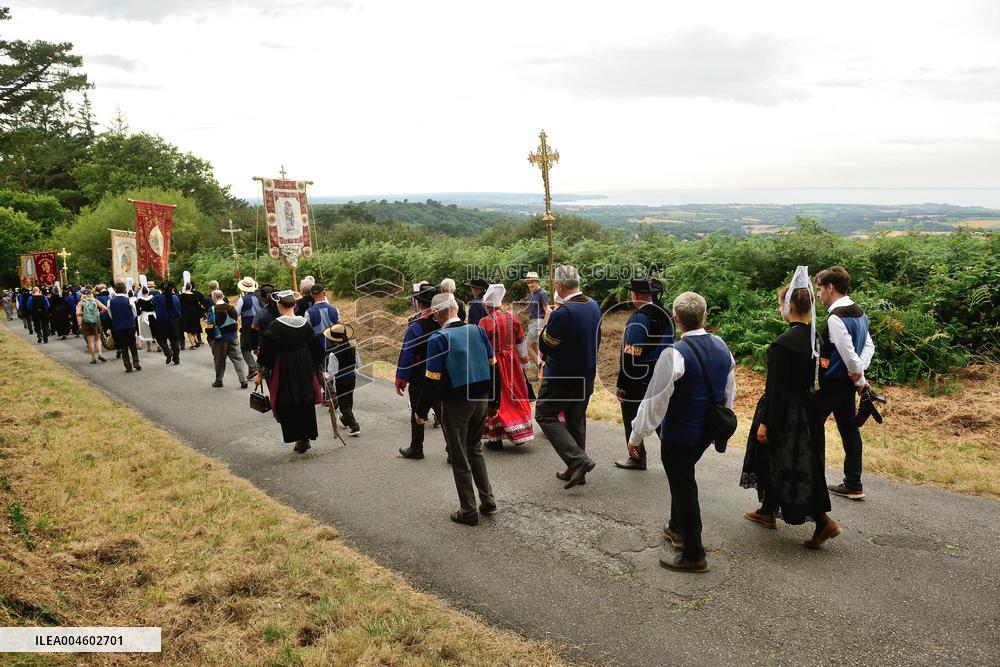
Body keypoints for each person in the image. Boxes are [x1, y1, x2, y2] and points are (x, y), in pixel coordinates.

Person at [629, 292, 736, 573]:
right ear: (705, 316)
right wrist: (720, 423)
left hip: (679, 435)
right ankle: (676, 528)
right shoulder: (722, 346)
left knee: (684, 487)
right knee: (684, 477)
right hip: (705, 432)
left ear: (676, 320)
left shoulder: (674, 354)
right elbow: (728, 390)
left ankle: (693, 553)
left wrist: (636, 436)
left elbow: (655, 401)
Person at [741, 270, 842, 548]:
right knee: (788, 462)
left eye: (780, 304)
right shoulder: (815, 338)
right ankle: (766, 511)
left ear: (791, 307)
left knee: (789, 466)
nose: (780, 309)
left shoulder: (782, 344)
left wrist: (766, 423)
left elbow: (776, 389)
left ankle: (823, 522)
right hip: (808, 412)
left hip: (785, 414)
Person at [415, 293, 500, 525]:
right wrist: (495, 401)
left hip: (456, 404)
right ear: (456, 308)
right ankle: (488, 500)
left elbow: (432, 380)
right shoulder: (478, 330)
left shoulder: (438, 338)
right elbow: (494, 367)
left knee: (460, 455)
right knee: (476, 449)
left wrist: (421, 411)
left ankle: (469, 510)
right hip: (481, 399)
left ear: (436, 314)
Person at [536, 265, 603, 489]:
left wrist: (545, 326)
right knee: (575, 419)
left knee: (545, 415)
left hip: (562, 376)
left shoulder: (563, 312)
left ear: (560, 285)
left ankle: (579, 461)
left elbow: (547, 345)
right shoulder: (594, 305)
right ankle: (576, 470)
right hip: (586, 373)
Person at [815, 266, 875, 501]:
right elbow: (869, 346)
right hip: (848, 384)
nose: (818, 294)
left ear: (830, 288)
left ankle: (813, 482)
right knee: (849, 431)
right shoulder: (859, 312)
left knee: (811, 426)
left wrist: (858, 376)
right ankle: (853, 482)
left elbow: (848, 353)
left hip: (832, 384)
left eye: (820, 289)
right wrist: (860, 374)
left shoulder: (835, 318)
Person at [615, 277, 674, 471]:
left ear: (636, 295)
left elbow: (630, 355)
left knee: (632, 417)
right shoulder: (666, 314)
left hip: (638, 379)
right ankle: (674, 458)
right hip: (663, 374)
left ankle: (637, 457)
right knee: (660, 417)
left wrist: (622, 384)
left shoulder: (639, 318)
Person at [255, 290, 325, 453]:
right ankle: (305, 436)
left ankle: (299, 437)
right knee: (304, 399)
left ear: (279, 306)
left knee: (287, 402)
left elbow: (267, 352)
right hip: (305, 365)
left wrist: (260, 373)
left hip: (285, 367)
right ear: (294, 305)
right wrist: (319, 368)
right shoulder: (305, 324)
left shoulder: (275, 326)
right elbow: (316, 348)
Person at [478, 283, 534, 448]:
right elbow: (521, 342)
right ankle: (519, 432)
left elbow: (480, 346)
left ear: (487, 305)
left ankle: (496, 439)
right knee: (515, 393)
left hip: (493, 363)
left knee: (497, 396)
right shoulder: (513, 317)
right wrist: (524, 362)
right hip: (512, 363)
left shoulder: (484, 322)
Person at [394, 284, 441, 460]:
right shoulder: (442, 322)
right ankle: (453, 450)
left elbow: (407, 353)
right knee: (441, 410)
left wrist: (401, 379)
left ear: (418, 302)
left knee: (417, 409)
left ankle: (416, 448)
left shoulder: (416, 326)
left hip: (420, 372)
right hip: (441, 371)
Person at [323, 323, 362, 436]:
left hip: (341, 380)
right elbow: (359, 365)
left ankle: (354, 426)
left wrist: (325, 375)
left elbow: (332, 373)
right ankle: (345, 420)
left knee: (344, 404)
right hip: (352, 378)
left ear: (334, 340)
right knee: (348, 400)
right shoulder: (353, 349)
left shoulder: (333, 354)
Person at [205, 289, 248, 389]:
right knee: (238, 359)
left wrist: (210, 335)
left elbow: (210, 325)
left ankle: (219, 381)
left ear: (214, 298)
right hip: (233, 336)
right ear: (222, 296)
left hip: (219, 338)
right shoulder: (231, 307)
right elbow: (236, 318)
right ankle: (243, 380)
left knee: (219, 360)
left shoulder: (213, 309)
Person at [108, 283, 141, 372]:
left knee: (123, 346)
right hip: (130, 324)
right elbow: (134, 313)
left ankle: (127, 366)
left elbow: (110, 315)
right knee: (132, 343)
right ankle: (136, 362)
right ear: (125, 290)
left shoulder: (110, 301)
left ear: (115, 290)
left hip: (118, 325)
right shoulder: (129, 300)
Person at [234, 277, 263, 378]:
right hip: (261, 326)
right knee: (260, 347)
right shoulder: (261, 297)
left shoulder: (242, 299)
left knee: (245, 349)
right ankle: (261, 367)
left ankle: (253, 367)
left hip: (248, 327)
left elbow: (236, 313)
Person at [522, 272, 548, 373]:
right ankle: (542, 369)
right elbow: (530, 306)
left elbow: (547, 310)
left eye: (532, 282)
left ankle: (540, 364)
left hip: (538, 321)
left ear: (537, 282)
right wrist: (521, 311)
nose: (530, 285)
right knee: (534, 346)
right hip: (532, 322)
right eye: (528, 283)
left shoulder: (542, 293)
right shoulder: (534, 293)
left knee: (526, 346)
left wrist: (543, 326)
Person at [76, 288, 109, 364]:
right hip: (96, 321)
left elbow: (77, 313)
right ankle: (100, 353)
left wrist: (84, 314)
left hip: (86, 322)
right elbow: (105, 308)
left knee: (90, 341)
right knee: (98, 339)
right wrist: (98, 313)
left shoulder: (81, 303)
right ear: (91, 294)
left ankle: (93, 357)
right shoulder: (95, 301)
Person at [153, 282, 183, 365]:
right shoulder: (175, 298)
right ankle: (176, 358)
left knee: (160, 339)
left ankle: (168, 351)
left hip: (161, 321)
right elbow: (179, 309)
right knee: (174, 340)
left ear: (161, 289)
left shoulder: (157, 297)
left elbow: (153, 305)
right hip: (174, 321)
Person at [305, 283, 340, 351]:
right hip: (334, 346)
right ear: (324, 293)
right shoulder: (335, 309)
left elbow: (307, 332)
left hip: (318, 348)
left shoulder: (308, 313)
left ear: (312, 296)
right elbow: (339, 327)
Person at [179, 279, 206, 349]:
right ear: (190, 287)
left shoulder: (182, 296)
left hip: (186, 314)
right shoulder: (194, 296)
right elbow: (197, 305)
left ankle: (193, 344)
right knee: (193, 328)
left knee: (188, 330)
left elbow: (180, 306)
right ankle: (196, 340)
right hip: (194, 313)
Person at [135, 286, 158, 352]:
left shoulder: (139, 299)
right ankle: (158, 345)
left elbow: (137, 310)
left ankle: (148, 347)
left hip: (145, 315)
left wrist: (140, 313)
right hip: (153, 315)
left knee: (147, 332)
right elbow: (155, 306)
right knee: (155, 330)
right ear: (148, 291)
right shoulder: (152, 298)